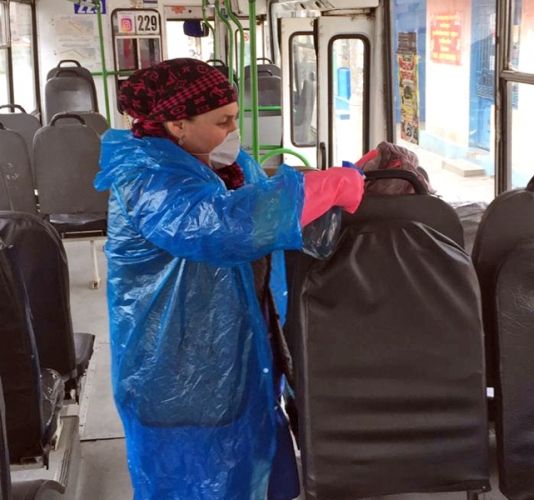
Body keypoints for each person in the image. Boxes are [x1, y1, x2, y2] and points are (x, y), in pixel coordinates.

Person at [94, 58, 364, 500]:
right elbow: (223, 226)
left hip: (238, 347)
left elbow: (265, 209)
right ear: (178, 125)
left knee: (251, 464)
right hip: (181, 366)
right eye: (223, 121)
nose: (234, 131)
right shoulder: (147, 177)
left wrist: (333, 188)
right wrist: (327, 188)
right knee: (197, 479)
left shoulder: (224, 164)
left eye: (235, 118)